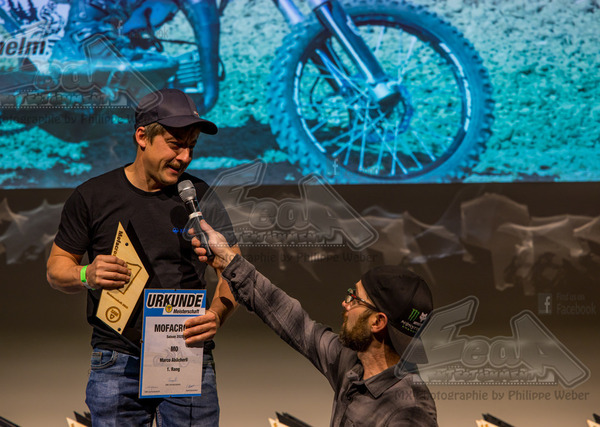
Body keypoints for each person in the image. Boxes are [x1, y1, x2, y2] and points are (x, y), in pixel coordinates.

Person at [46, 88, 240, 426]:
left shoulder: (199, 197)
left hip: (185, 353)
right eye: (176, 144)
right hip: (116, 359)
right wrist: (86, 274)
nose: (185, 157)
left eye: (192, 147)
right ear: (142, 137)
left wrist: (217, 315)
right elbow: (56, 269)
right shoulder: (93, 196)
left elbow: (235, 272)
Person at [191, 220, 438, 427]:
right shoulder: (352, 363)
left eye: (355, 298)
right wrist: (228, 261)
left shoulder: (411, 410)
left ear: (377, 322)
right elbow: (294, 322)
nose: (345, 304)